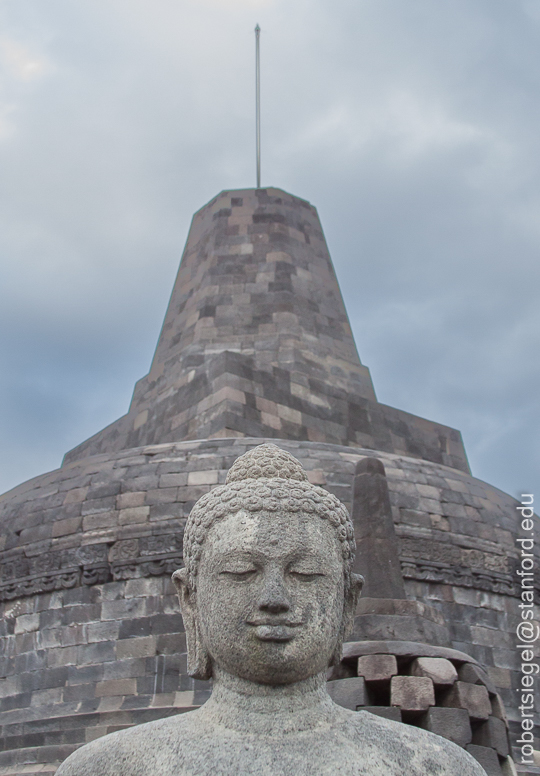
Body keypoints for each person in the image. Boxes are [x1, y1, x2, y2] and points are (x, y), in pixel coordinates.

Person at [57, 444, 486, 775]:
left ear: (347, 602)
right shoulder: (108, 768)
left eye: (306, 573)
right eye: (242, 571)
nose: (275, 598)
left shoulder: (433, 767)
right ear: (190, 598)